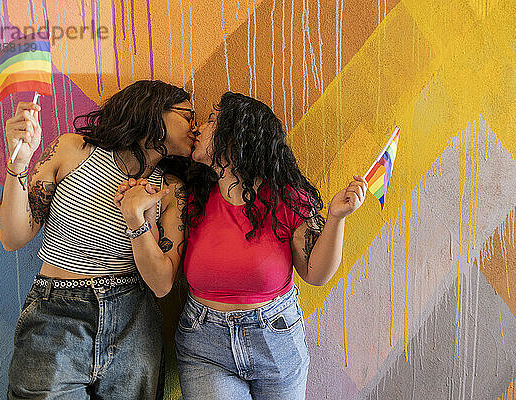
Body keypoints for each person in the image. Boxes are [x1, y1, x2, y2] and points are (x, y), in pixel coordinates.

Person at [116, 92, 367, 400]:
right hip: (204, 345)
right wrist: (138, 219)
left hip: (275, 339)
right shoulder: (189, 197)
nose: (198, 129)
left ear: (234, 139)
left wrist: (337, 218)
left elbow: (315, 274)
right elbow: (160, 281)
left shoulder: (286, 198)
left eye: (211, 121)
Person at [0, 80, 197, 399]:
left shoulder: (172, 190)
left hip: (134, 320)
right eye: (188, 115)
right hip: (57, 314)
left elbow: (161, 284)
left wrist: (138, 220)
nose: (195, 126)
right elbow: (13, 237)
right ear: (152, 109)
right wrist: (17, 164)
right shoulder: (72, 150)